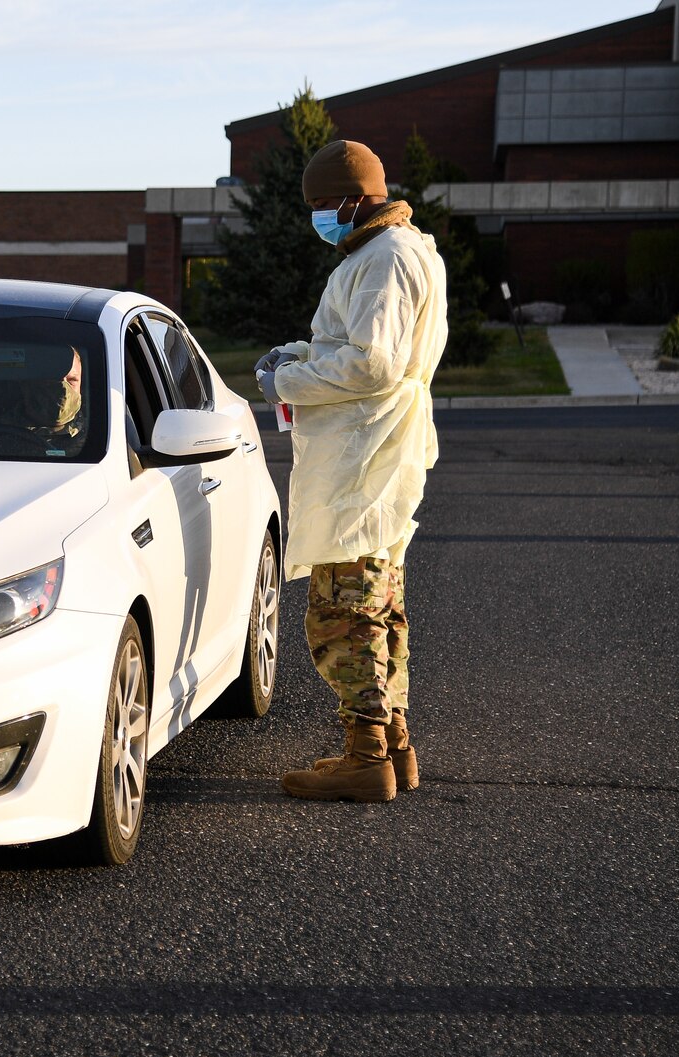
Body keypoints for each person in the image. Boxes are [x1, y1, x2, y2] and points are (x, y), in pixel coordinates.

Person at [253, 139, 447, 803]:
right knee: (380, 604)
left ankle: (366, 756)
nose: (318, 219)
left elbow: (371, 365)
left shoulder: (387, 257)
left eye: (321, 206)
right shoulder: (399, 250)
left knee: (345, 612)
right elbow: (359, 346)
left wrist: (287, 378)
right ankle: (392, 746)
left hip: (364, 459)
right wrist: (303, 353)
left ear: (355, 196)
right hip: (381, 455)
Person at [0, 347, 86, 457]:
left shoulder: (97, 439)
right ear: (28, 384)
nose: (63, 388)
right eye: (53, 379)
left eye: (72, 380)